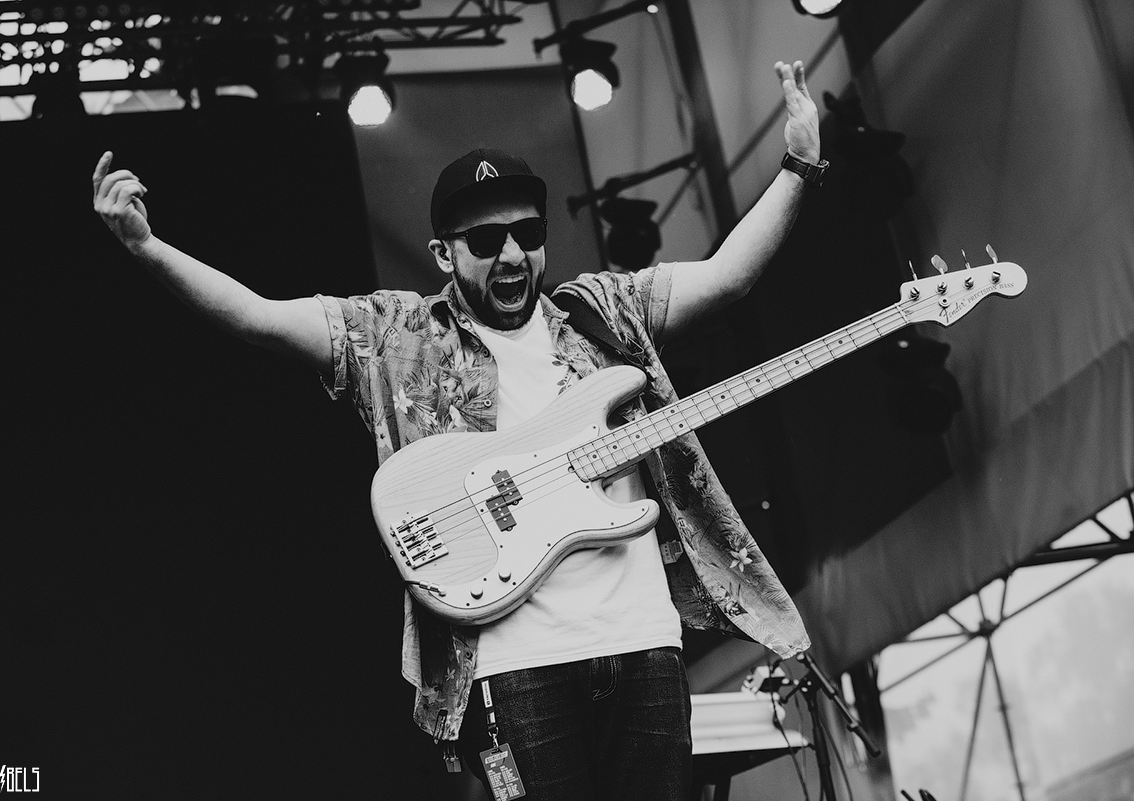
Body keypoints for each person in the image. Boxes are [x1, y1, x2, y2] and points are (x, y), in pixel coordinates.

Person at [93, 60, 822, 801]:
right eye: (486, 240)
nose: (512, 255)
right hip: (514, 663)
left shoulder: (606, 312)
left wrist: (797, 165)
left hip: (642, 640)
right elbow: (259, 317)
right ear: (444, 253)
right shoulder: (398, 336)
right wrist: (148, 249)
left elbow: (728, 277)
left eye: (528, 234)